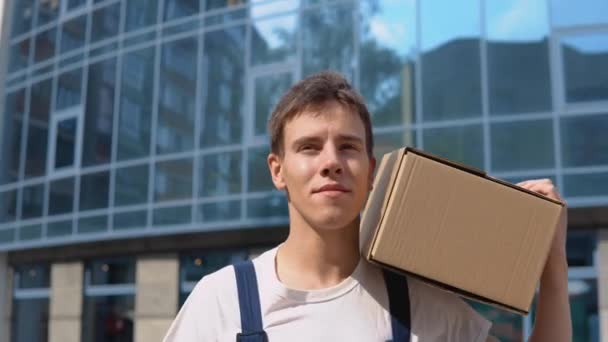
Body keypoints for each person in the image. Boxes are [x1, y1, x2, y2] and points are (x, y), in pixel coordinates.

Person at [163, 71, 571, 341]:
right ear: (278, 170)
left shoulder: (422, 306)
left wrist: (553, 266)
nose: (331, 162)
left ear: (372, 170)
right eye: (309, 147)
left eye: (348, 146)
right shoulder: (221, 301)